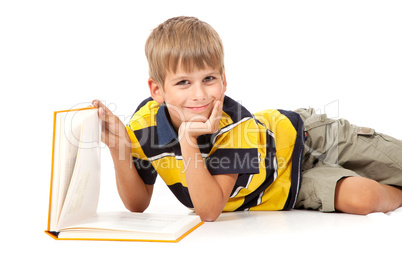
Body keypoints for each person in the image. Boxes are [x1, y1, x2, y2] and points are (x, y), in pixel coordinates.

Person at [92, 16, 402, 222]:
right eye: (183, 82)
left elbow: (208, 210)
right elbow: (142, 204)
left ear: (224, 82)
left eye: (209, 79)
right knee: (365, 198)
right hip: (283, 185)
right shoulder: (145, 124)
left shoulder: (235, 125)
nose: (199, 94)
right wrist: (119, 146)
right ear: (157, 89)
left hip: (308, 139)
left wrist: (186, 140)